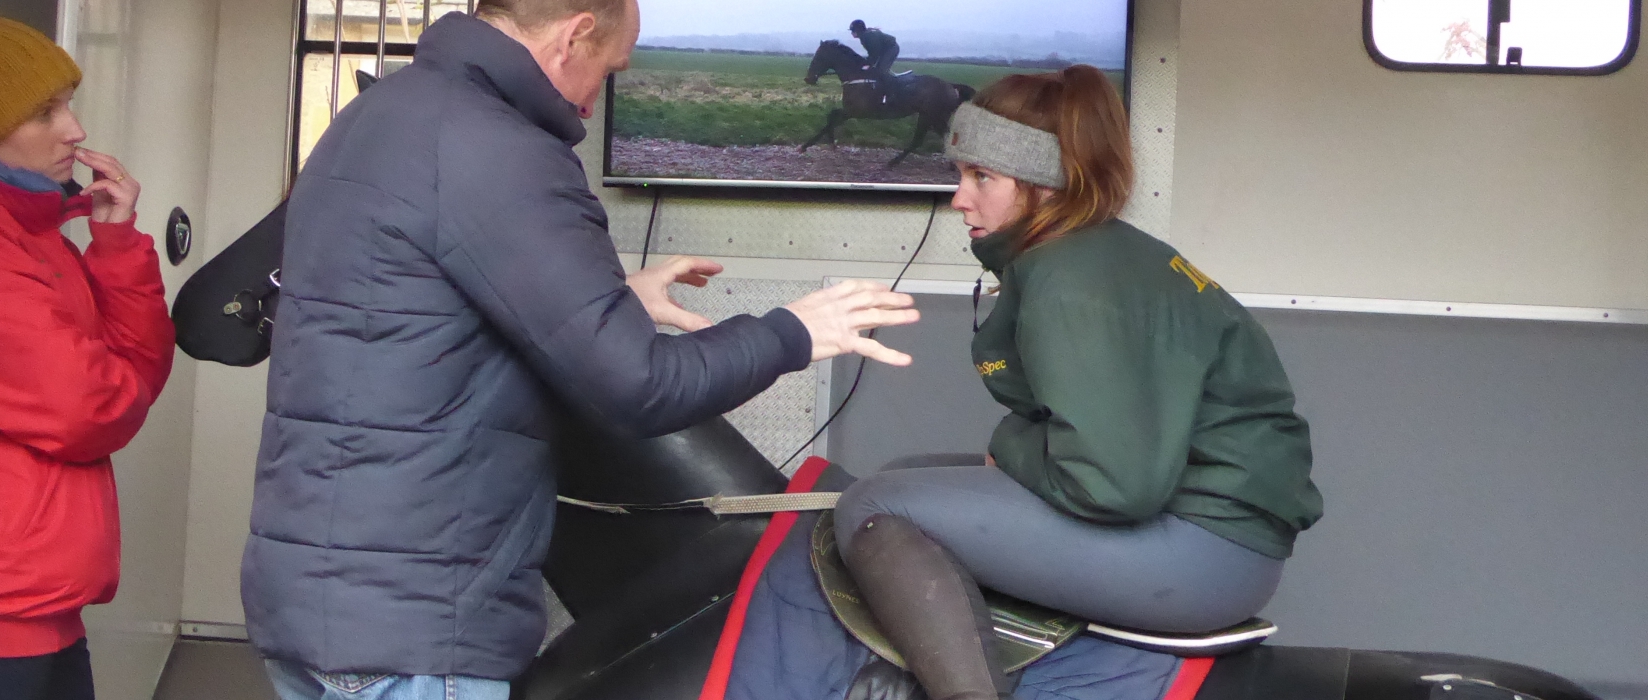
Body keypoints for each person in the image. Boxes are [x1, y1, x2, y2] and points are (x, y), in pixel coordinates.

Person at [242, 1, 919, 699]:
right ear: (576, 35)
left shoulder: (377, 115)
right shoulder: (501, 149)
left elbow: (407, 304)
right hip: (414, 622)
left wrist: (607, 299)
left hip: (313, 595)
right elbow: (641, 386)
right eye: (611, 67)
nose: (598, 98)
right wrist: (793, 332)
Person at [832, 66, 1324, 700]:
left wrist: (1009, 445)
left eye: (981, 177)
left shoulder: (1071, 282)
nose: (959, 199)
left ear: (1043, 183)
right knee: (907, 474)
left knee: (873, 507)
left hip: (1204, 555)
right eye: (960, 175)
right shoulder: (1097, 250)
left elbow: (1114, 486)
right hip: (1221, 537)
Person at [0, 9, 176, 700]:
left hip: (38, 591)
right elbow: (91, 409)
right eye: (45, 112)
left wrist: (116, 243)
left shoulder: (30, 230)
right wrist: (117, 389)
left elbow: (139, 375)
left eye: (68, 105)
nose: (75, 130)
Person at [849, 19, 900, 99]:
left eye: (853, 31)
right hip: (885, 49)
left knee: (882, 71)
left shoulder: (868, 37)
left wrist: (868, 64)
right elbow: (872, 53)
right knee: (876, 69)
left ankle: (892, 92)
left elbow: (875, 53)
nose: (851, 33)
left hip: (891, 48)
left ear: (858, 31)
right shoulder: (864, 36)